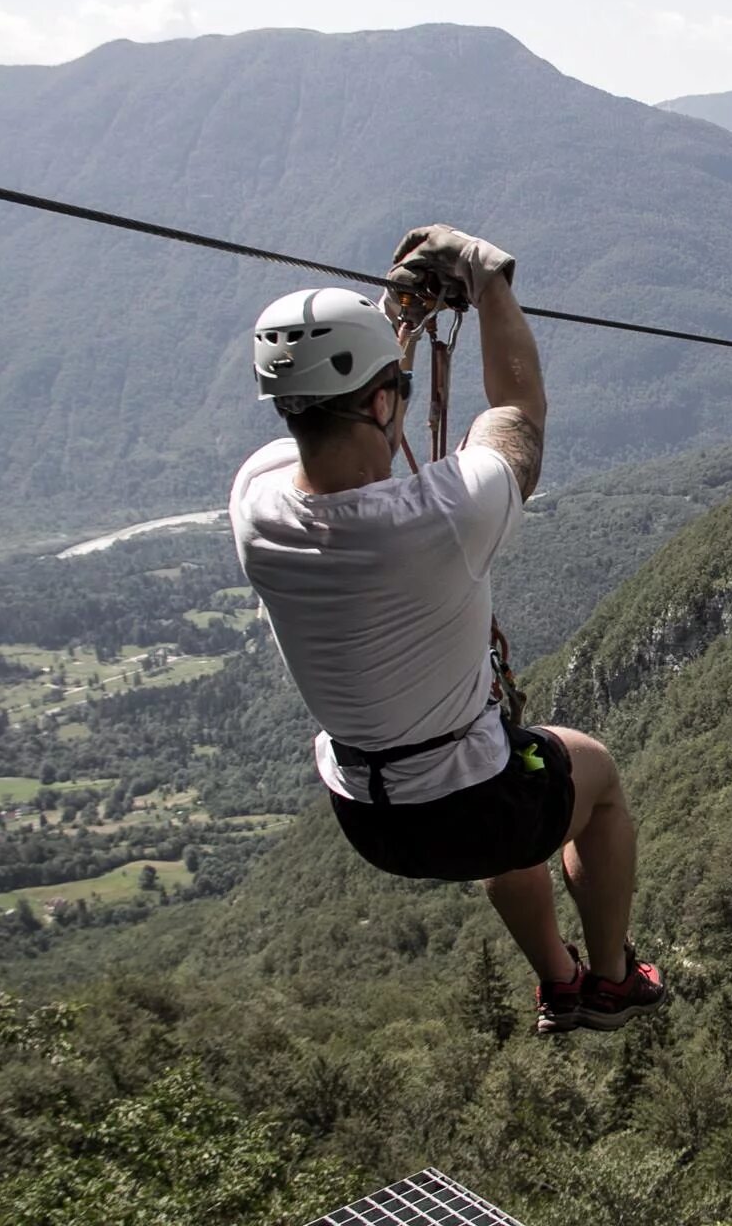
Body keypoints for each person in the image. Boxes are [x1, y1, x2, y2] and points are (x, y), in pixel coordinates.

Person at [228, 225, 668, 1034]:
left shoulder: (255, 503)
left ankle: (557, 979)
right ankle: (609, 980)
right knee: (592, 776)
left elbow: (352, 450)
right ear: (382, 399)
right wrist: (487, 280)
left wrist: (395, 335)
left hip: (368, 817)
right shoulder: (445, 516)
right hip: (472, 810)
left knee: (507, 792)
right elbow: (515, 413)